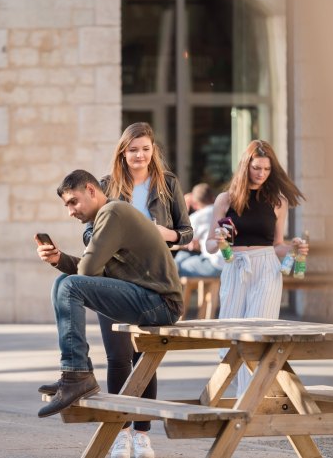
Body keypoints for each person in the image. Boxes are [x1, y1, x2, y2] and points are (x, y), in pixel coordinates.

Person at [35, 170, 182, 430]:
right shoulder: (107, 217)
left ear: (92, 190)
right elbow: (94, 274)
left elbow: (89, 272)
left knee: (68, 286)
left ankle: (77, 375)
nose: (70, 211)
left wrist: (80, 270)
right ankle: (73, 373)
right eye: (66, 205)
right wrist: (60, 259)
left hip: (160, 302)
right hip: (145, 297)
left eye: (73, 202)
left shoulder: (112, 213)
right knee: (62, 283)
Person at [79, 122, 190, 458]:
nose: (139, 155)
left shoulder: (167, 184)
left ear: (152, 150)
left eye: (144, 148)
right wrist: (111, 239)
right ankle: (120, 433)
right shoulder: (106, 185)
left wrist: (161, 233)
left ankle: (142, 434)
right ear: (122, 152)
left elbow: (186, 234)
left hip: (153, 282)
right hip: (113, 280)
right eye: (132, 149)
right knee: (118, 357)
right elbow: (88, 233)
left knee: (146, 359)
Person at [204, 140, 307, 394]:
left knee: (259, 332)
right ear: (245, 166)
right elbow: (208, 245)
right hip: (235, 267)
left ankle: (251, 399)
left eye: (267, 169)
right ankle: (244, 397)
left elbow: (277, 245)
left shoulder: (277, 201)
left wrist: (293, 249)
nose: (261, 174)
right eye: (257, 167)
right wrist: (218, 240)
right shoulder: (225, 199)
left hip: (267, 269)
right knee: (233, 335)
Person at [175, 183, 224, 278]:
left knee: (177, 267)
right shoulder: (222, 211)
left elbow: (179, 236)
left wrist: (183, 207)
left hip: (215, 264)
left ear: (194, 203)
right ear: (212, 198)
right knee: (183, 256)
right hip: (229, 262)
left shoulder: (198, 216)